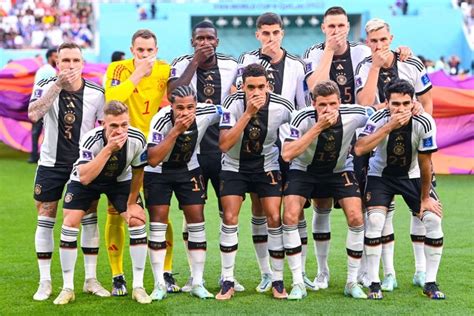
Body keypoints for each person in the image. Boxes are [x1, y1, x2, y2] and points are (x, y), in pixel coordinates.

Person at [303, 7, 411, 289]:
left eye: (340, 25)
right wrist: (329, 50)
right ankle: (322, 271)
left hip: (360, 133)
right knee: (322, 203)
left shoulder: (363, 52)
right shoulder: (314, 52)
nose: (336, 30)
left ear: (348, 27)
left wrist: (401, 53)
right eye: (331, 26)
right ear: (323, 28)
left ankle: (367, 269)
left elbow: (372, 89)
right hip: (325, 133)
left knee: (365, 205)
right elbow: (317, 88)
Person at [355, 18, 433, 291]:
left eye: (383, 40)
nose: (379, 45)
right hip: (378, 145)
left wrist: (424, 126)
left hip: (412, 145)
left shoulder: (412, 63)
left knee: (421, 211)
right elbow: (364, 104)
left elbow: (426, 99)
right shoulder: (364, 67)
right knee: (380, 214)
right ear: (367, 43)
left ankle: (421, 271)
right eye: (373, 41)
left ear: (391, 38)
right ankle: (387, 273)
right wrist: (375, 67)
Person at [235, 12, 312, 292]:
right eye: (265, 34)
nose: (270, 38)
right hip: (256, 144)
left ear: (283, 33)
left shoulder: (296, 65)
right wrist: (262, 62)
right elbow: (235, 94)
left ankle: (299, 273)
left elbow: (303, 105)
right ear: (257, 35)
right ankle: (267, 272)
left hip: (287, 144)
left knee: (294, 209)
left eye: (275, 33)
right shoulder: (246, 61)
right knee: (260, 207)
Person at [28, 42, 108, 301]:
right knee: (46, 214)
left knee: (89, 215)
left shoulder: (96, 92)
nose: (71, 65)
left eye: (75, 60)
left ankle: (90, 279)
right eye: (66, 61)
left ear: (83, 64)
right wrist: (57, 86)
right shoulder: (45, 85)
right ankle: (45, 282)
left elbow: (104, 128)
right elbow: (33, 115)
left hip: (82, 165)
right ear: (57, 63)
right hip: (51, 163)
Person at [53, 101, 151, 305]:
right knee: (70, 223)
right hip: (87, 179)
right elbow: (85, 177)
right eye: (114, 126)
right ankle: (68, 287)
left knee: (137, 221)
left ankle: (138, 287)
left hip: (120, 182)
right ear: (103, 123)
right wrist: (108, 149)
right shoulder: (91, 140)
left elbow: (139, 171)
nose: (120, 130)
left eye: (124, 125)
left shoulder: (138, 138)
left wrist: (132, 202)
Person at [354, 79, 445, 300]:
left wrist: (425, 198)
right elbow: (359, 148)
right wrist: (389, 127)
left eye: (406, 103)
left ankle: (430, 282)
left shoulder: (424, 122)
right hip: (381, 176)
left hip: (412, 175)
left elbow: (426, 163)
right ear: (386, 103)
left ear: (413, 101)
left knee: (433, 219)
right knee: (375, 221)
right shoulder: (377, 119)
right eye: (395, 104)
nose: (401, 109)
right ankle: (375, 282)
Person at [282, 80, 372, 300]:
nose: (328, 109)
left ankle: (351, 281)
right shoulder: (302, 118)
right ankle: (298, 281)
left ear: (340, 102)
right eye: (322, 105)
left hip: (339, 169)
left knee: (355, 217)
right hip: (304, 170)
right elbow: (287, 154)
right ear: (313, 104)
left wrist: (414, 107)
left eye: (332, 104)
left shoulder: (355, 114)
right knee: (290, 215)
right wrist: (318, 127)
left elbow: (378, 113)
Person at [167, 21, 239, 292]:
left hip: (222, 152)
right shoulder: (181, 63)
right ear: (192, 41)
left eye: (210, 38)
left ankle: (227, 275)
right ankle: (192, 275)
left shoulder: (231, 65)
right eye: (200, 39)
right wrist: (194, 63)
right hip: (191, 153)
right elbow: (172, 95)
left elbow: (240, 96)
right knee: (191, 215)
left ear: (217, 41)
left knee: (227, 214)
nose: (205, 42)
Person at [104, 29, 176, 295]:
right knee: (116, 211)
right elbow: (112, 100)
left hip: (154, 150)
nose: (145, 55)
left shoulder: (165, 70)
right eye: (140, 50)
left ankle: (166, 272)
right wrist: (137, 74)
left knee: (159, 212)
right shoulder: (118, 68)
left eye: (149, 51)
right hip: (122, 148)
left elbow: (181, 96)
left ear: (156, 50)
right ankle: (117, 275)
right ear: (132, 50)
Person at [216, 64, 293, 300]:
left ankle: (276, 279)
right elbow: (224, 144)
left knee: (274, 217)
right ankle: (227, 279)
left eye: (261, 86)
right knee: (229, 217)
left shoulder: (282, 106)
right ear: (243, 86)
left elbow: (299, 129)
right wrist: (248, 113)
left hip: (266, 166)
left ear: (268, 86)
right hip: (234, 165)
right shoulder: (232, 104)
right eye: (251, 87)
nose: (256, 91)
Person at [144, 85, 220, 300]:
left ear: (196, 105)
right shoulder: (160, 120)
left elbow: (228, 111)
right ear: (171, 106)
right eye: (180, 108)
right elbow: (153, 158)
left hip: (189, 169)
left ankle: (197, 282)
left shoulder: (206, 112)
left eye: (190, 107)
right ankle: (159, 284)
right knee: (158, 223)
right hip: (159, 171)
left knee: (197, 221)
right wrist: (175, 131)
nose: (185, 112)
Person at [28, 47, 58, 164]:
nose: (57, 59)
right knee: (47, 130)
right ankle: (43, 155)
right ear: (50, 57)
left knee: (36, 131)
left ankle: (34, 154)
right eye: (56, 57)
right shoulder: (49, 70)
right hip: (44, 104)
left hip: (37, 103)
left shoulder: (43, 69)